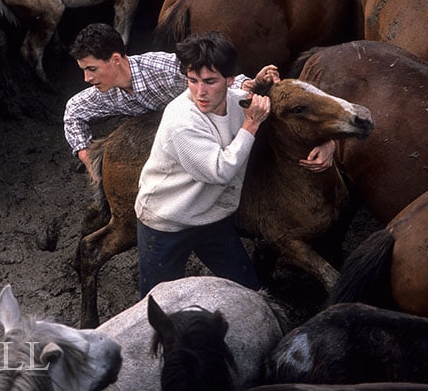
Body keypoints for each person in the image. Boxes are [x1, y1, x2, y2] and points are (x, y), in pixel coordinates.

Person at [63, 23, 335, 173]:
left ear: (115, 60)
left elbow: (218, 79)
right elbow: (73, 112)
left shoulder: (163, 69)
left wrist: (251, 84)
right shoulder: (104, 91)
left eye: (91, 69)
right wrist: (89, 161)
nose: (87, 79)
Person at [135, 32, 275, 297]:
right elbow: (219, 171)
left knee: (252, 291)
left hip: (212, 217)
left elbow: (295, 112)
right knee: (155, 304)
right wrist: (252, 124)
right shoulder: (182, 120)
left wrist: (324, 145)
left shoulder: (238, 102)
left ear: (231, 80)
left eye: (210, 81)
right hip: (167, 221)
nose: (200, 91)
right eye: (192, 80)